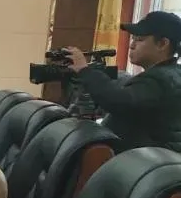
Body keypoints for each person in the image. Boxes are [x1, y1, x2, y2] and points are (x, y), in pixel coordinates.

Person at [66, 11, 181, 152]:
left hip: (149, 160)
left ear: (162, 44)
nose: (132, 45)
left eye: (140, 39)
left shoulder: (158, 79)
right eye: (133, 38)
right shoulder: (171, 73)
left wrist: (85, 71)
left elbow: (118, 101)